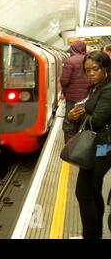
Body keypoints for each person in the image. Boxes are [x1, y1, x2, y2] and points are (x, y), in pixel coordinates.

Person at [66, 50, 111, 239]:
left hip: (102, 148)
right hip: (99, 147)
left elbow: (99, 119)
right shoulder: (97, 86)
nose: (91, 74)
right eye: (87, 70)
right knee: (93, 192)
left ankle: (90, 236)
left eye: (95, 69)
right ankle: (96, 234)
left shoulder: (108, 90)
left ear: (106, 68)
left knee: (84, 194)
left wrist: (80, 115)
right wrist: (73, 114)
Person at [60, 40, 91, 143]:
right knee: (84, 121)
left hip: (73, 99)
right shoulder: (90, 59)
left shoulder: (70, 61)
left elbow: (64, 80)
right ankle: (83, 146)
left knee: (69, 122)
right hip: (88, 98)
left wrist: (64, 93)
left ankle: (69, 147)